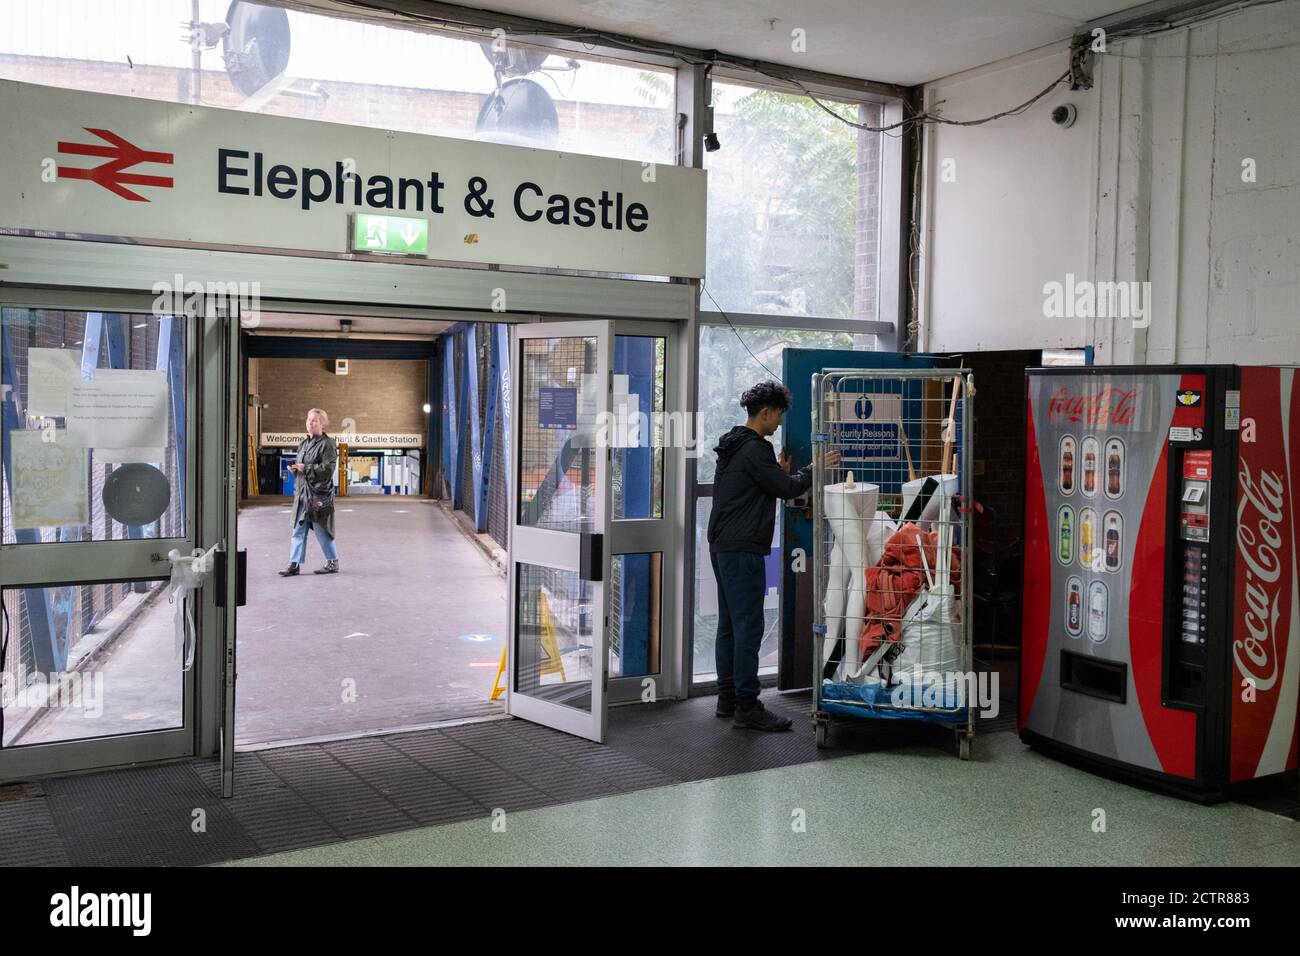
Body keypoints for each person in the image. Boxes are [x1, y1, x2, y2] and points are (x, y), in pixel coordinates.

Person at [708, 381, 838, 731]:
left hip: (722, 546)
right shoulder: (756, 449)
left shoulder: (733, 444)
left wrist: (778, 474)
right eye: (778, 415)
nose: (779, 423)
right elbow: (788, 489)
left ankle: (728, 698)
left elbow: (759, 486)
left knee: (730, 625)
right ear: (765, 412)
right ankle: (748, 707)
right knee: (749, 626)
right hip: (743, 548)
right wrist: (815, 469)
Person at [278, 408, 340, 576]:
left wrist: (306, 468)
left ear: (322, 424)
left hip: (318, 495)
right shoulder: (303, 444)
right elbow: (302, 470)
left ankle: (332, 562)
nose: (310, 423)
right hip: (302, 495)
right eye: (308, 419)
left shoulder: (328, 444)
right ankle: (294, 565)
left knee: (321, 530)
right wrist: (295, 470)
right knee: (298, 530)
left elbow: (328, 470)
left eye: (314, 420)